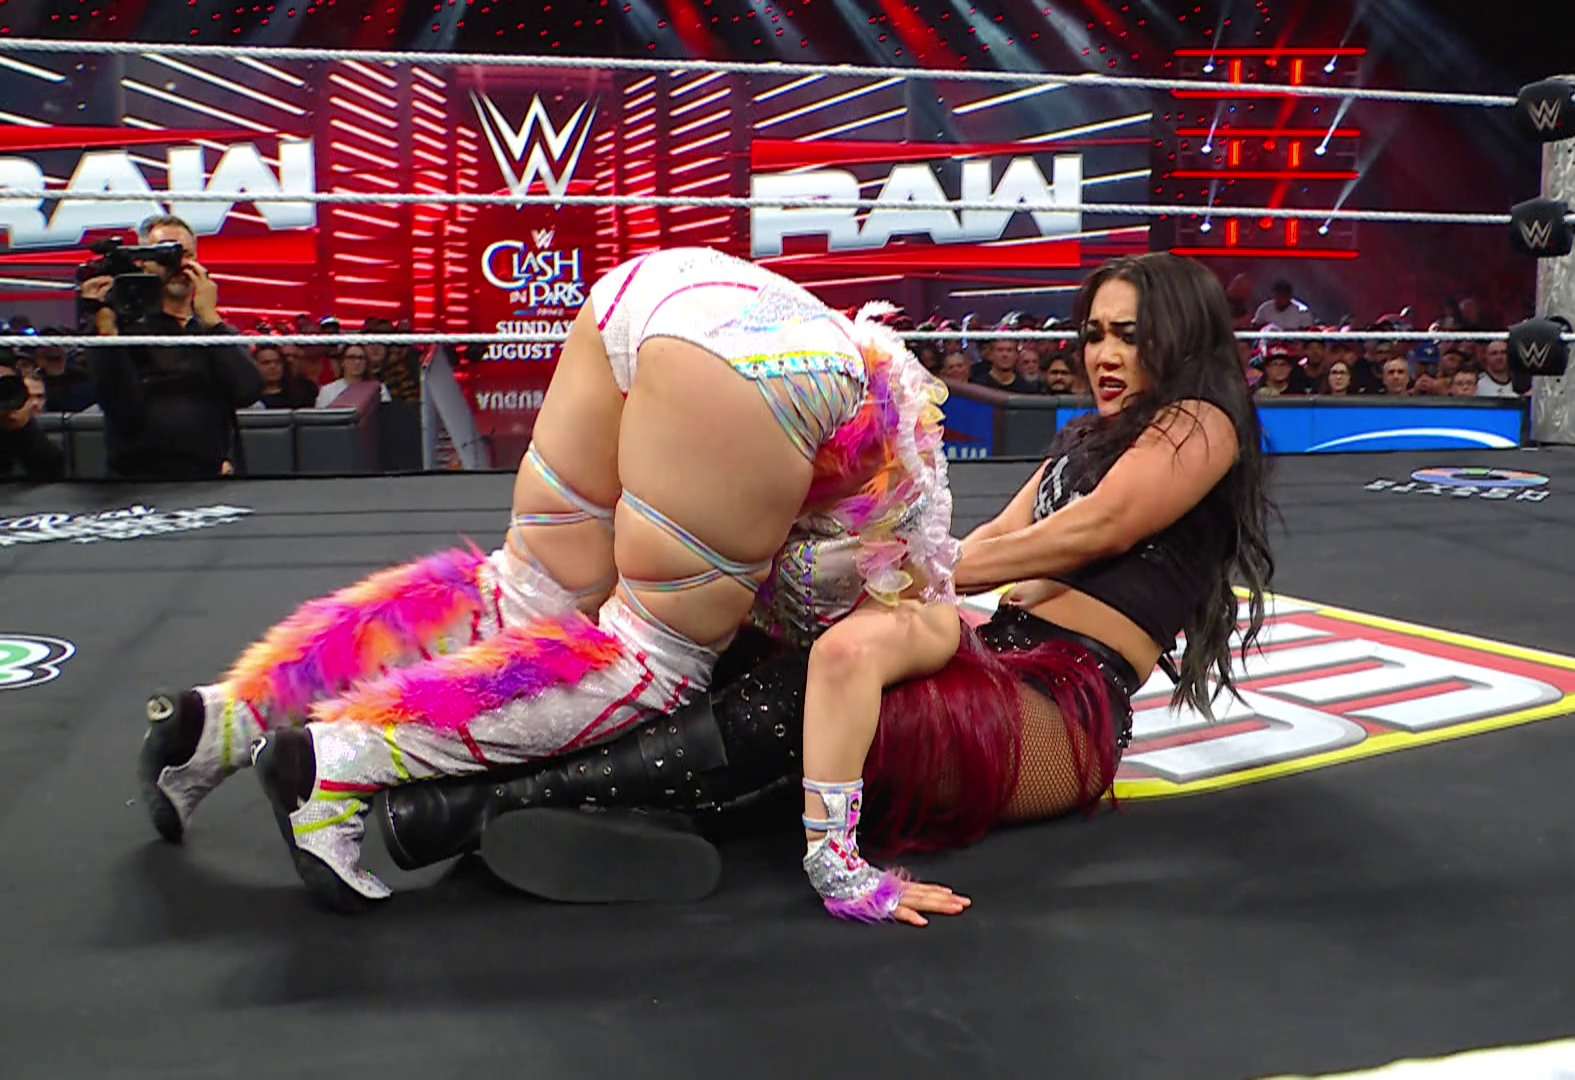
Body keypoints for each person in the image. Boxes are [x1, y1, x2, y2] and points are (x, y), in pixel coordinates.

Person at [379, 252, 1278, 925]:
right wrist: (896, 565)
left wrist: (912, 568)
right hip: (999, 663)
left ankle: (473, 807)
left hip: (1063, 711)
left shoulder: (1201, 422)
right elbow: (995, 539)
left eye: (1129, 334)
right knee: (762, 654)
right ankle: (594, 801)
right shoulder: (1083, 439)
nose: (1104, 353)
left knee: (819, 691)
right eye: (1094, 333)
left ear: (1181, 336)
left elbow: (1096, 530)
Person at [138, 247, 954, 914]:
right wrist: (841, 868)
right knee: (655, 660)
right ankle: (341, 763)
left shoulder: (909, 472)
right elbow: (834, 645)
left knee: (523, 590)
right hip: (769, 371)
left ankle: (222, 724)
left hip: (663, 291)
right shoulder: (923, 587)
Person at [78, 214, 263, 479]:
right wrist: (107, 329)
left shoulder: (211, 331)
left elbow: (248, 390)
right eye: (164, 254)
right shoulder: (122, 329)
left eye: (184, 254)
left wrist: (212, 321)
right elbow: (119, 405)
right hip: (137, 482)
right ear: (142, 262)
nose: (176, 264)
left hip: (210, 478)